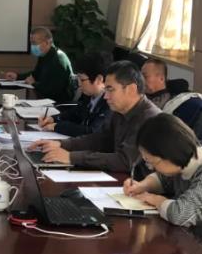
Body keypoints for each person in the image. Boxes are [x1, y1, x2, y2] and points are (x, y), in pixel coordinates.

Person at [123, 113, 202, 250]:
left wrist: (155, 200)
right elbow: (165, 179)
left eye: (152, 162)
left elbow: (180, 215)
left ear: (170, 153)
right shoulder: (185, 161)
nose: (151, 167)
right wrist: (143, 185)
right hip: (197, 240)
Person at [28, 61, 159, 172]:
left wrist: (71, 157)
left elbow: (125, 161)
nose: (106, 96)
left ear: (131, 89)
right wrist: (61, 144)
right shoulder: (120, 111)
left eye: (110, 89)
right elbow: (100, 140)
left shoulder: (149, 119)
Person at [37, 51, 111, 138]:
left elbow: (91, 132)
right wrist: (53, 119)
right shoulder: (89, 96)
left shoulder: (110, 102)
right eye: (78, 78)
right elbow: (75, 113)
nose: (79, 84)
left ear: (99, 79)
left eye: (82, 80)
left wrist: (57, 126)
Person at [2, 26, 75, 104]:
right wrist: (17, 76)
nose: (32, 46)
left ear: (47, 43)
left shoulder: (58, 60)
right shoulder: (44, 55)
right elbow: (35, 74)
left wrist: (34, 84)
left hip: (58, 104)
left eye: (34, 43)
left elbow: (52, 90)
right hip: (45, 98)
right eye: (31, 43)